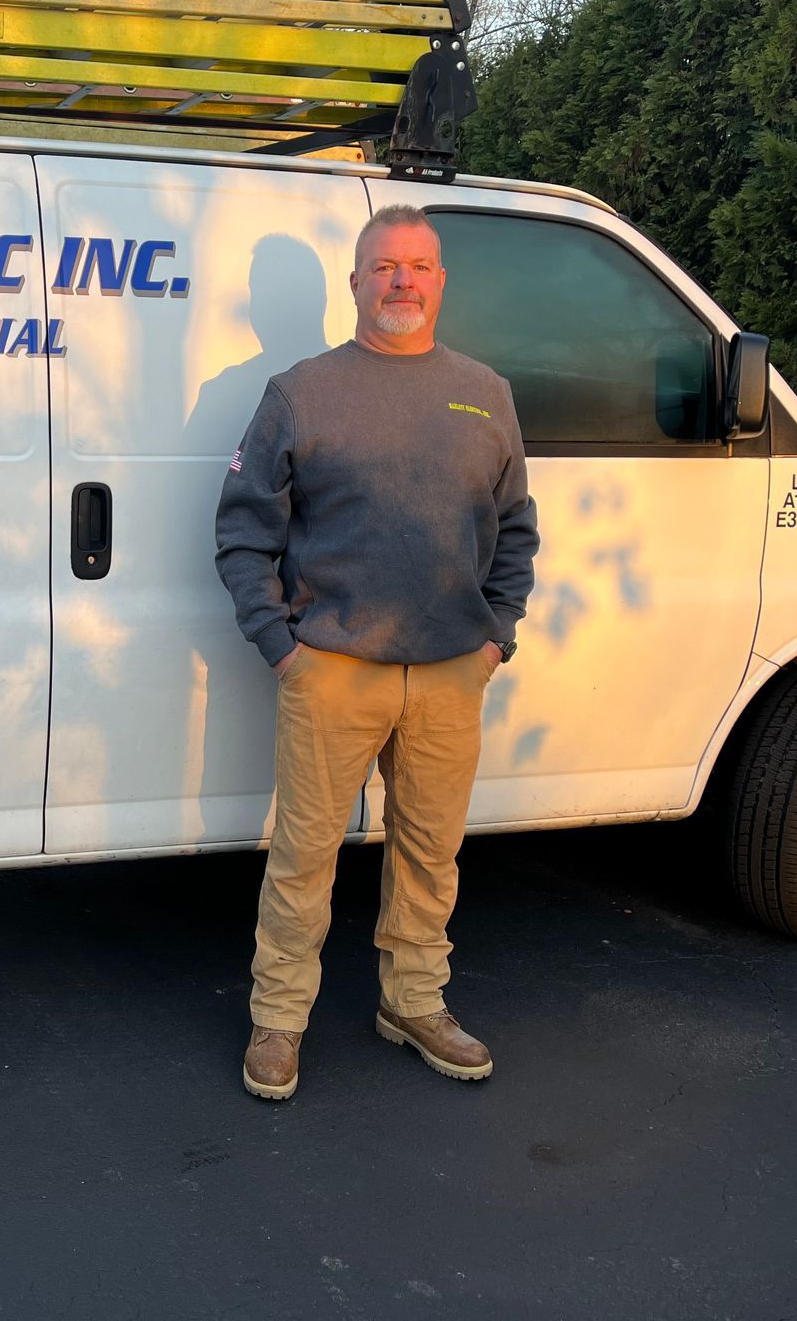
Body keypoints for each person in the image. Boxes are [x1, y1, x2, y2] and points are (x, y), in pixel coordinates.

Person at [213, 205, 539, 1098]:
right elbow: (244, 534)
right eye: (384, 266)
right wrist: (284, 648)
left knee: (432, 854)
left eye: (420, 267)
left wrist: (495, 634)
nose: (402, 281)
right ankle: (278, 1022)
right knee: (305, 856)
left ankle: (414, 1002)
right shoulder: (300, 392)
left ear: (441, 283)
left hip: (447, 674)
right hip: (332, 672)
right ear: (355, 283)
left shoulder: (486, 394)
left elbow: (514, 528)